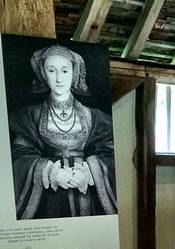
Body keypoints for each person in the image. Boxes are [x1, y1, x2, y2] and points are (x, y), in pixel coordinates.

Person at [9, 44, 117, 219]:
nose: (59, 78)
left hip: (86, 193)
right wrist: (50, 171)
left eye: (65, 71)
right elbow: (20, 155)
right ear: (43, 73)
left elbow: (110, 152)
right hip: (49, 197)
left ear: (74, 72)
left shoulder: (94, 116)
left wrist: (90, 171)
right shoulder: (29, 116)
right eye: (51, 71)